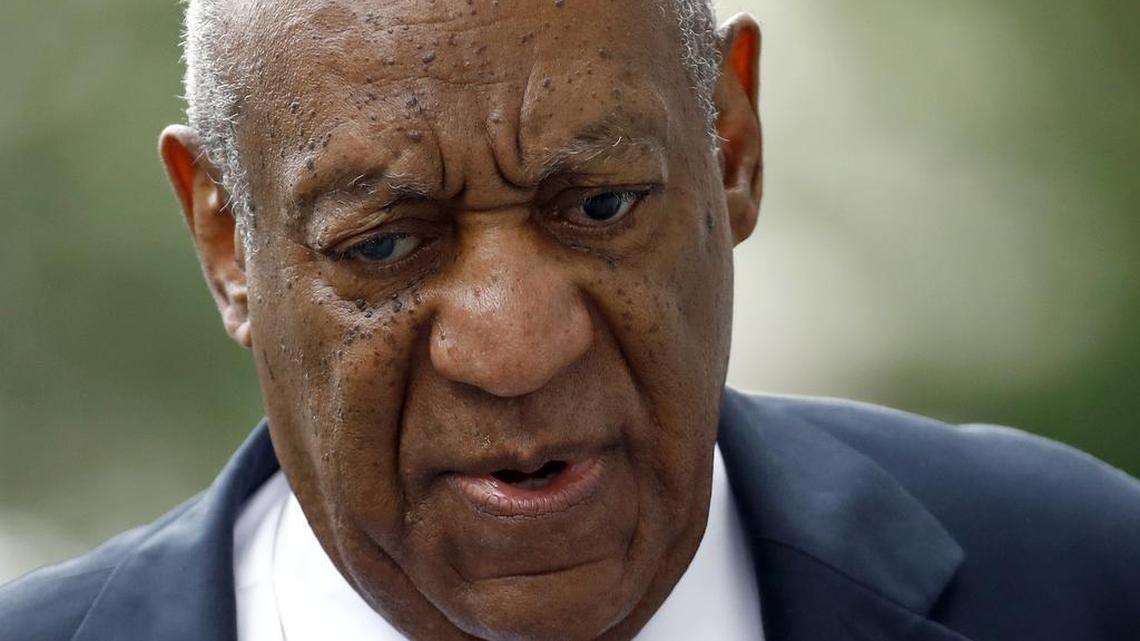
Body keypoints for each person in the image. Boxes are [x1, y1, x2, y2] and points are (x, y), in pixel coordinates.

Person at [2, 1, 1138, 639]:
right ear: (225, 241)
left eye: (600, 206)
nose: (515, 346)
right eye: (385, 244)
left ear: (730, 147)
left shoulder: (1083, 581)